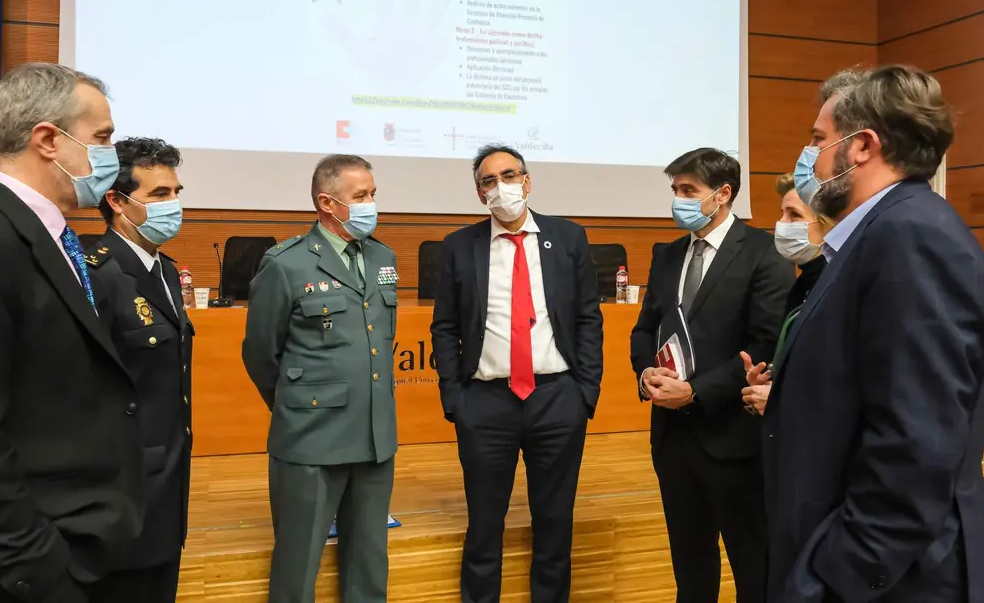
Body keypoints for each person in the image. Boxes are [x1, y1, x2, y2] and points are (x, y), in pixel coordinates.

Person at [0, 63, 143, 602]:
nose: (111, 155)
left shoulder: (49, 235)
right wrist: (39, 570)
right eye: (102, 138)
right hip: (13, 573)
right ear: (47, 140)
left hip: (71, 547)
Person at [763, 65, 984, 602]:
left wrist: (839, 573)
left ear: (861, 146)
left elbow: (917, 442)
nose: (810, 157)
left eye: (819, 140)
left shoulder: (910, 237)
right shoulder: (880, 233)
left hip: (892, 580)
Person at [430, 145, 603, 603]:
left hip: (557, 399)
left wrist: (584, 392)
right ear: (479, 193)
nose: (501, 186)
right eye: (489, 180)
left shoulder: (568, 238)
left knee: (554, 521)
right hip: (485, 405)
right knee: (485, 524)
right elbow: (444, 328)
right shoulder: (458, 246)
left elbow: (589, 318)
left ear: (527, 181)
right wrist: (455, 400)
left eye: (509, 175)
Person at [630, 148, 792, 603]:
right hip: (672, 439)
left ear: (723, 194)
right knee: (690, 567)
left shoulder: (764, 253)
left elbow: (763, 343)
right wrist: (646, 373)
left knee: (751, 567)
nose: (678, 199)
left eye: (688, 191)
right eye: (674, 190)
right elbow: (645, 327)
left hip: (733, 439)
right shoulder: (667, 254)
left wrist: (695, 391)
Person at [242, 154, 398, 603]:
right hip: (310, 437)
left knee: (369, 561)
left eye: (373, 193)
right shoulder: (286, 264)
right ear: (327, 203)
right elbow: (261, 354)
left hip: (374, 436)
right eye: (361, 196)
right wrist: (299, 402)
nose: (371, 204)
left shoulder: (383, 256)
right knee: (298, 562)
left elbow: (379, 342)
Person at [83, 137, 191, 602]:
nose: (175, 205)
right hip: (121, 490)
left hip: (169, 484)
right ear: (116, 201)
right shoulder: (97, 274)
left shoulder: (165, 270)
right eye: (159, 195)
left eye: (176, 191)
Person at [740, 171, 833, 415]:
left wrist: (781, 399)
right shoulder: (803, 283)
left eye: (794, 215)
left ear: (828, 224)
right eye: (782, 214)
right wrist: (772, 385)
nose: (781, 224)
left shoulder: (837, 285)